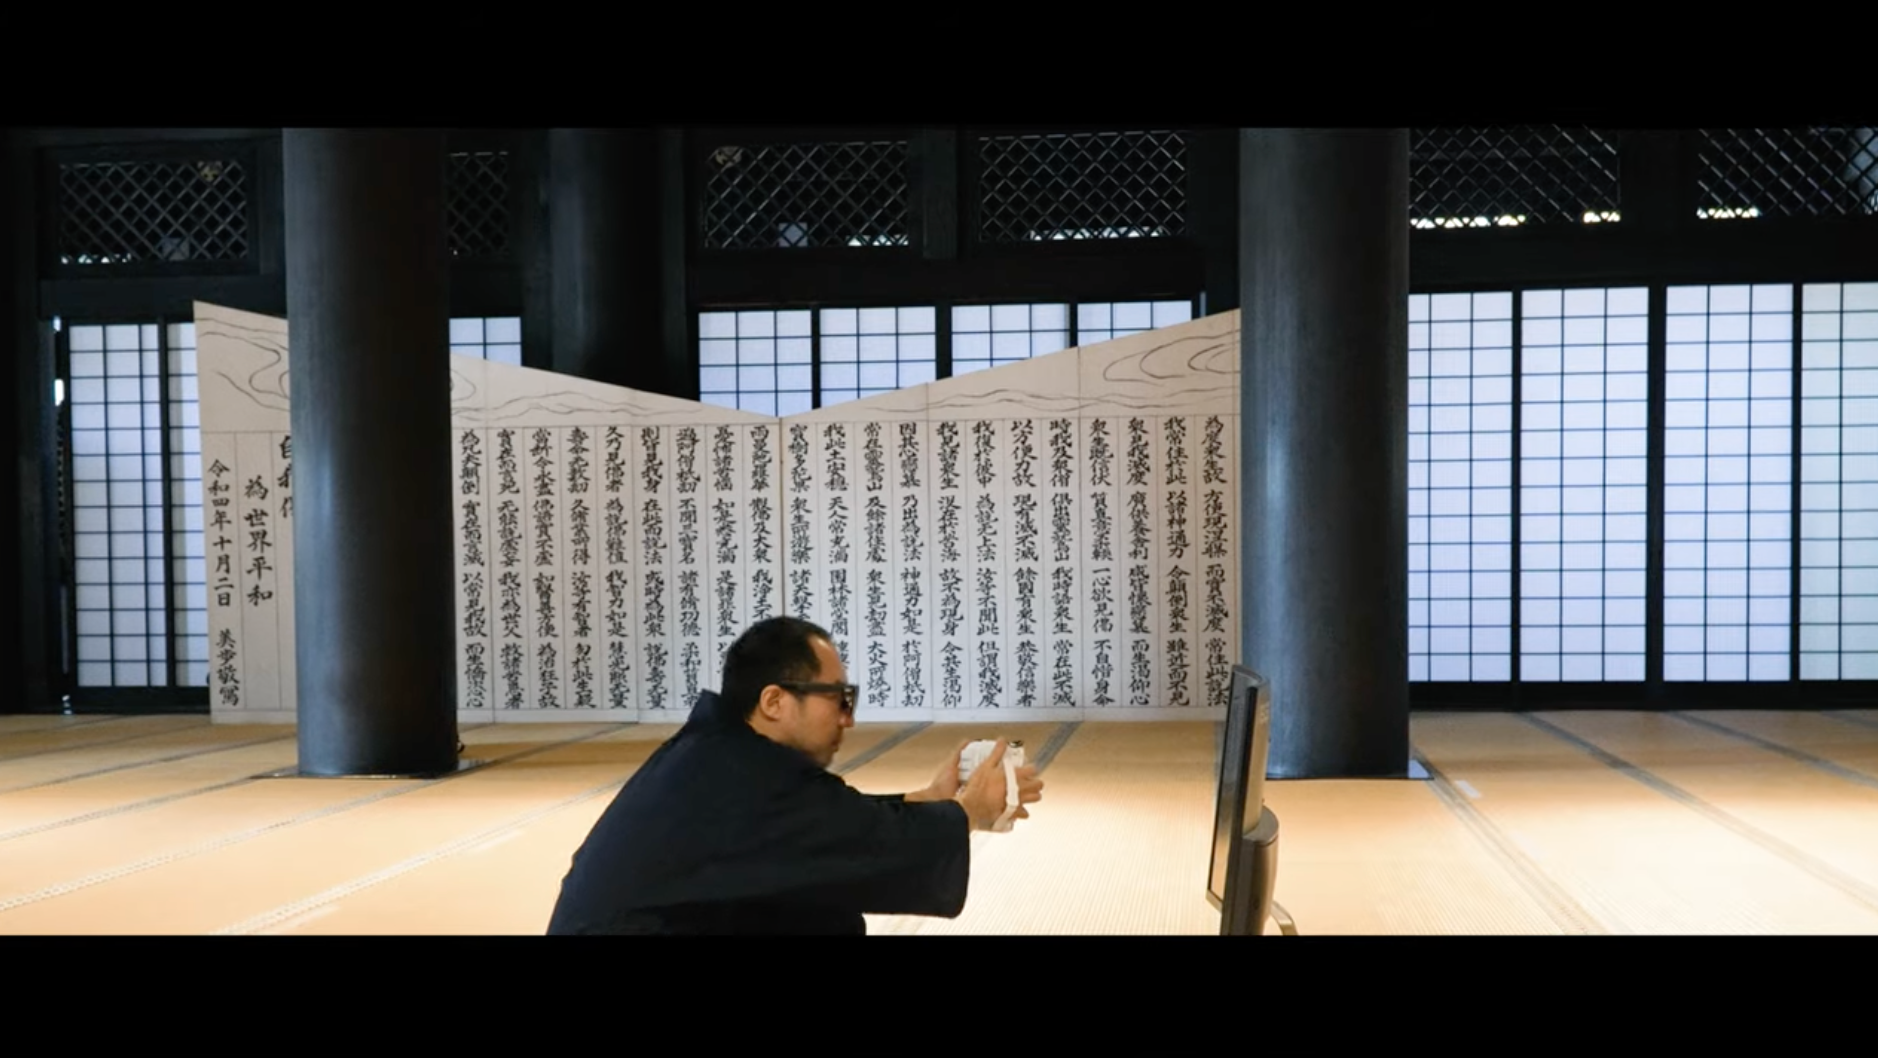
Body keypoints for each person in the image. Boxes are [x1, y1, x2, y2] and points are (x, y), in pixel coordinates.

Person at [544, 615, 1045, 934]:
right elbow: (846, 835)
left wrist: (931, 799)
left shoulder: (724, 755)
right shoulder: (743, 778)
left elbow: (830, 827)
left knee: (820, 913)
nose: (848, 719)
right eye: (838, 699)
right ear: (774, 701)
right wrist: (966, 812)